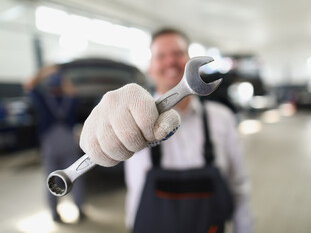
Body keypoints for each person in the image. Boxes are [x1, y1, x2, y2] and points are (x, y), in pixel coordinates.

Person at [79, 28, 253, 232]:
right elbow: (109, 122)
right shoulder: (132, 119)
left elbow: (239, 188)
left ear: (189, 60)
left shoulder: (221, 118)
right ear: (150, 68)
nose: (170, 61)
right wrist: (103, 123)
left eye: (178, 54)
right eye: (161, 56)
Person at [24, 65, 85, 223]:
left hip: (51, 144)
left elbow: (29, 85)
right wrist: (63, 78)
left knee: (51, 180)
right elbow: (73, 92)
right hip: (67, 143)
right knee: (75, 176)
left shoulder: (44, 99)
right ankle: (77, 210)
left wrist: (44, 72)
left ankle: (55, 213)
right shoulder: (69, 98)